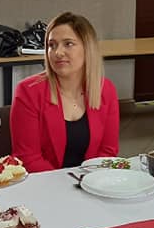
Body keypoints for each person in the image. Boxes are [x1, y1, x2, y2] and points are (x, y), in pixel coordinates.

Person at [11, 11, 119, 171]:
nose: (58, 53)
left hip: (92, 181)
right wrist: (70, 182)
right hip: (45, 182)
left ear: (88, 48)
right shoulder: (28, 92)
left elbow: (108, 152)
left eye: (68, 44)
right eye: (52, 45)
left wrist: (89, 180)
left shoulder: (106, 90)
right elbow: (28, 159)